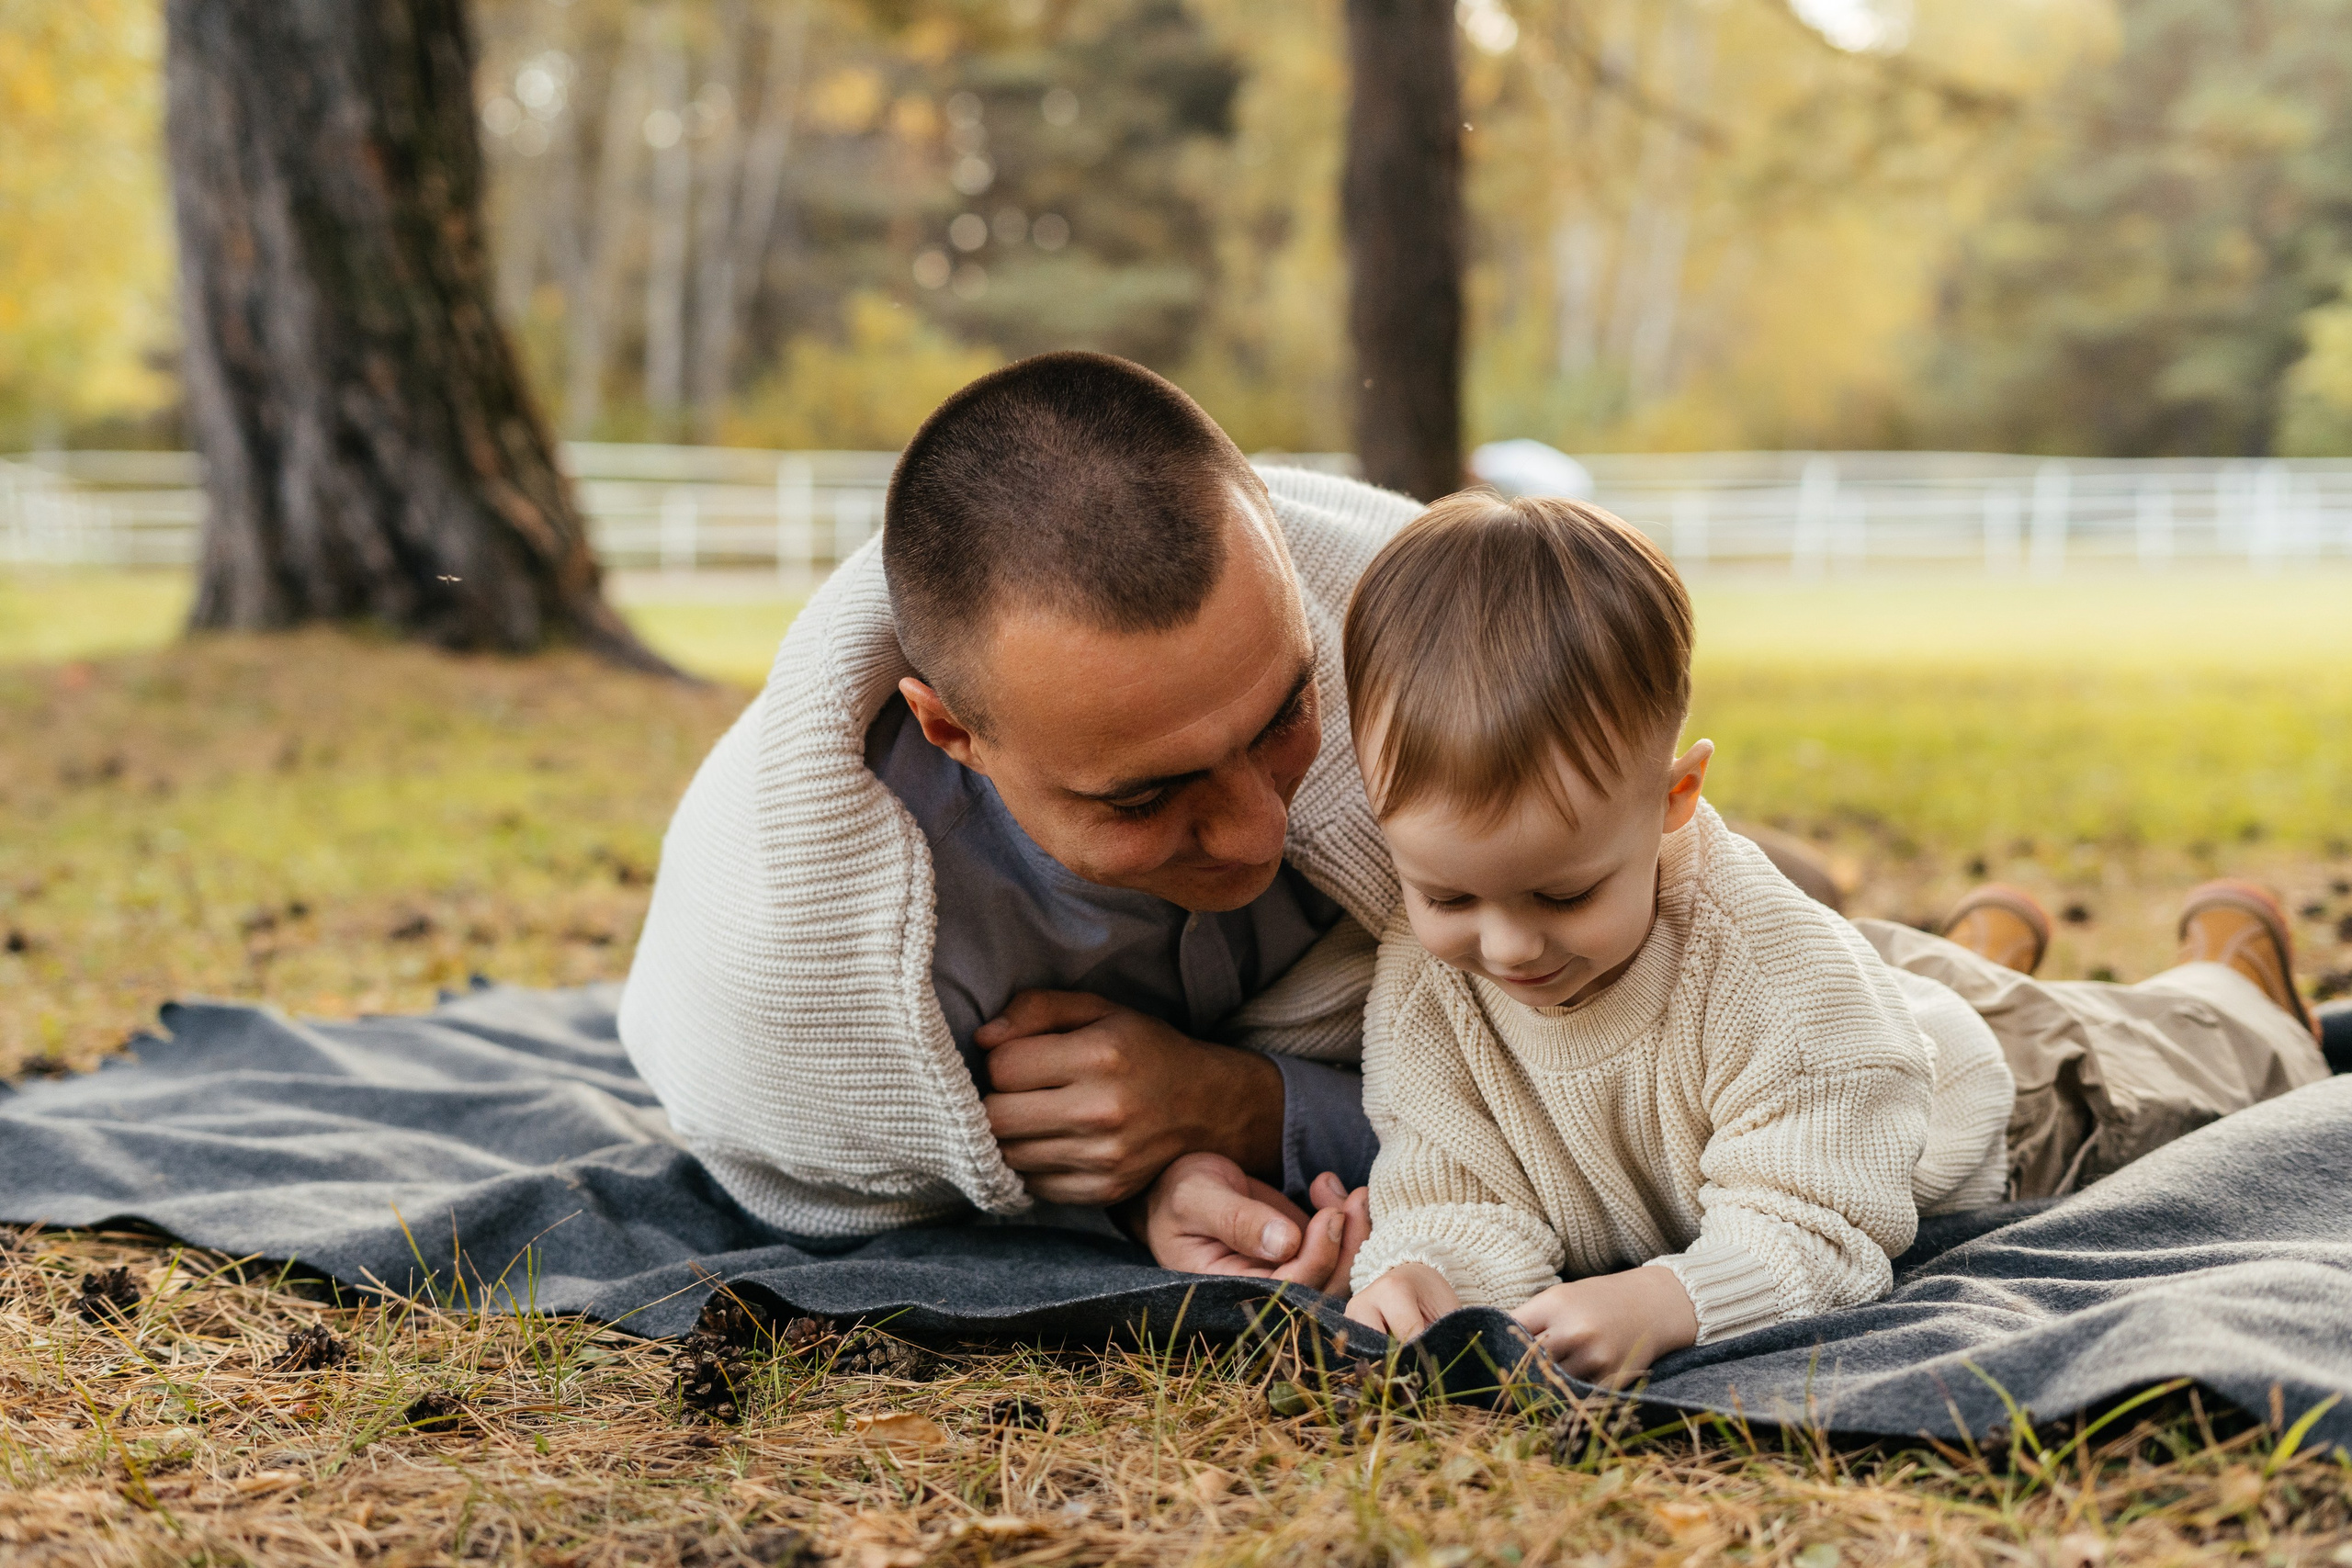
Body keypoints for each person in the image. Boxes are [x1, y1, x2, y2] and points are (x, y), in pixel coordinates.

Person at [1335, 491, 2330, 1381]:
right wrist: (1429, 1271)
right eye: (1451, 898)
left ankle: (2229, 983)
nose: (1506, 949)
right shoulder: (1424, 974)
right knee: (1877, 1000)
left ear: (1675, 798)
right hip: (1862, 1034)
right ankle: (1973, 954)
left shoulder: (1771, 970)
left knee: (2168, 1069)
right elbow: (1452, 1182)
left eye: (1562, 895)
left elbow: (1819, 1223)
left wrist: (1679, 1298)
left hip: (2008, 1104)